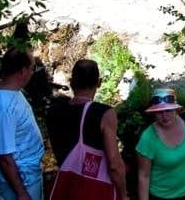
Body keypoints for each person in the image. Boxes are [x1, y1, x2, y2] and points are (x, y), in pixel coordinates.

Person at [45, 59, 128, 200]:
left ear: (71, 82)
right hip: (94, 190)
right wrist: (124, 194)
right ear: (99, 82)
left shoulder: (54, 111)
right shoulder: (104, 113)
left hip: (65, 187)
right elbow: (114, 164)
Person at [136, 88, 185, 200]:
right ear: (154, 113)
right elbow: (144, 176)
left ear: (176, 110)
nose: (164, 116)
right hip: (164, 196)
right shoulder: (148, 138)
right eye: (159, 112)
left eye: (168, 110)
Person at [0, 47, 44, 200]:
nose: (32, 72)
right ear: (23, 71)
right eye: (32, 68)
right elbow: (4, 157)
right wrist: (22, 193)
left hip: (28, 173)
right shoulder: (4, 107)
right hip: (21, 180)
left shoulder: (12, 91)